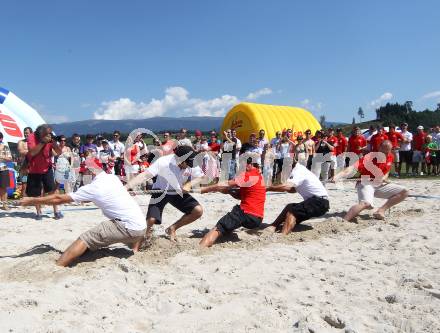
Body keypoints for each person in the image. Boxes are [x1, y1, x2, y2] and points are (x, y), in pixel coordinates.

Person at [20, 158, 146, 267]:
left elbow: (58, 199)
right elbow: (96, 196)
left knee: (85, 238)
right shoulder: (112, 178)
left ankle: (59, 265)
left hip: (128, 228)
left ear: (89, 171)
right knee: (100, 234)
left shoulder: (94, 187)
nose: (82, 175)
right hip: (141, 228)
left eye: (83, 172)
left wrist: (32, 200)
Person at [126, 145, 205, 242]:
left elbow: (201, 177)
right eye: (188, 163)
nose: (190, 165)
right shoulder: (163, 162)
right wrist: (126, 187)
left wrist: (189, 184)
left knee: (198, 211)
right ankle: (145, 237)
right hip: (160, 191)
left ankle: (172, 228)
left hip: (177, 191)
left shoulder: (191, 161)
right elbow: (144, 175)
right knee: (151, 220)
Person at [333, 140, 408, 221]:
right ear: (379, 148)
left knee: (404, 192)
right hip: (365, 182)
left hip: (379, 184)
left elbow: (387, 171)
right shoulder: (369, 157)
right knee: (366, 204)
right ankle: (344, 221)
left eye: (387, 152)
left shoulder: (390, 156)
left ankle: (380, 211)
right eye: (382, 152)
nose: (384, 155)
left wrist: (383, 177)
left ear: (390, 150)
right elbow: (351, 168)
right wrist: (337, 176)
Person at [199, 158, 266, 247]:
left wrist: (204, 190)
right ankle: (227, 232)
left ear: (248, 164)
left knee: (219, 227)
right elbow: (241, 196)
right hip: (257, 219)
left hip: (246, 212)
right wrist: (229, 192)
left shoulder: (248, 174)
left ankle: (201, 247)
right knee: (232, 222)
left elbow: (224, 184)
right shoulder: (260, 177)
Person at [266, 159, 329, 235]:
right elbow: (292, 189)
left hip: (319, 202)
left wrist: (268, 188)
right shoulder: (300, 169)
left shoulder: (297, 171)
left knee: (292, 212)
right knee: (290, 207)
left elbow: (286, 186)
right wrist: (271, 188)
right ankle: (274, 226)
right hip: (319, 202)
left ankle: (283, 235)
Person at [26, 124, 63, 220]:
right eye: (46, 133)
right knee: (36, 193)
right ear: (40, 133)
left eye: (49, 133)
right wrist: (43, 142)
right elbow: (32, 152)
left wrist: (54, 142)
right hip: (34, 169)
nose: (48, 134)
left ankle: (56, 211)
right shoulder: (31, 137)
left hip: (47, 167)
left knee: (52, 190)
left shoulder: (50, 136)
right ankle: (39, 213)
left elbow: (59, 152)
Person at [17, 127, 33, 198]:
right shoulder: (21, 142)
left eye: (27, 133)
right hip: (24, 166)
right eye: (25, 133)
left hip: (34, 165)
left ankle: (34, 200)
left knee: (36, 183)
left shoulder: (34, 142)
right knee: (24, 183)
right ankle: (24, 199)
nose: (25, 134)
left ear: (31, 133)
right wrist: (33, 151)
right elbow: (21, 151)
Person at [0, 132, 12, 210]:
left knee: (4, 188)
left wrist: (2, 157)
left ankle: (5, 205)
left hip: (3, 169)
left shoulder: (5, 147)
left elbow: (10, 158)